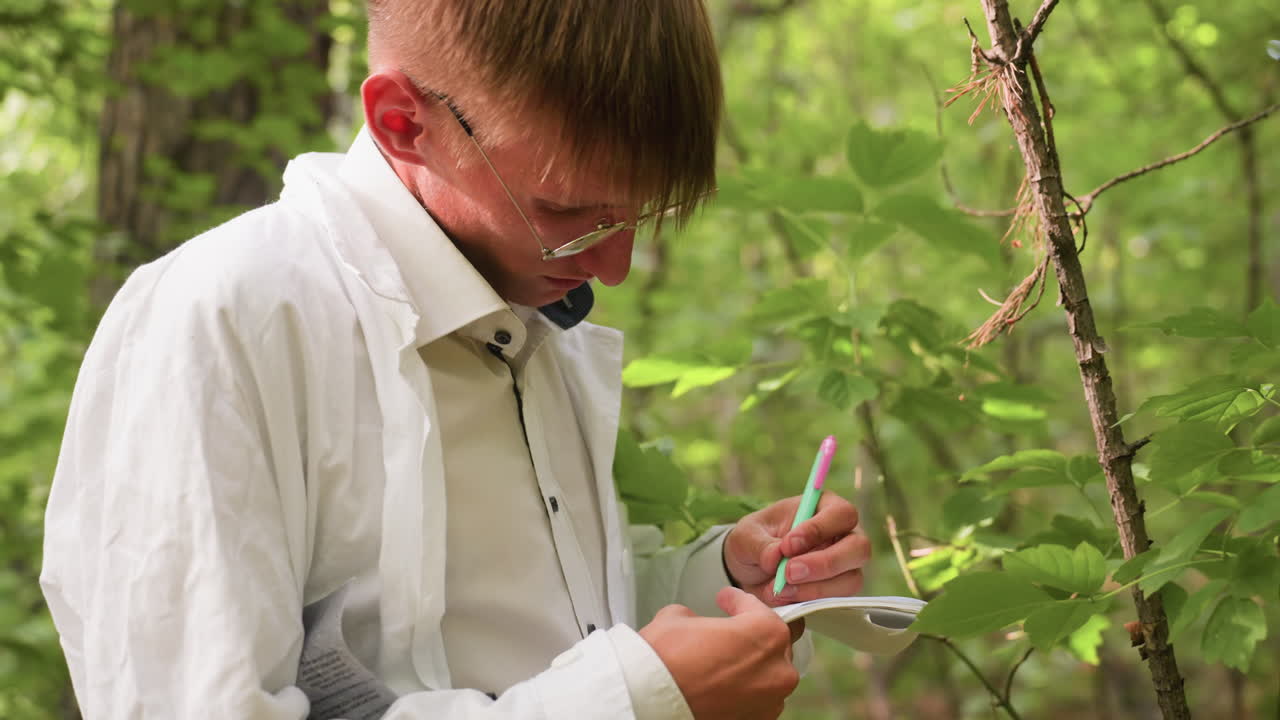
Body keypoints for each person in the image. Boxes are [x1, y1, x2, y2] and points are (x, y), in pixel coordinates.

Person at [40, 1, 871, 718]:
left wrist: (717, 582)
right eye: (569, 211)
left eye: (641, 216)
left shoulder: (536, 320)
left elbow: (545, 627)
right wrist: (633, 703)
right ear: (404, 122)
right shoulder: (230, 322)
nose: (612, 269)